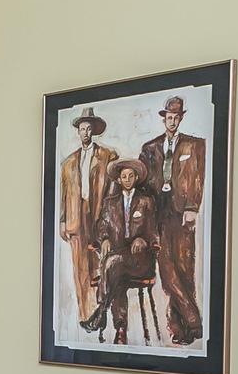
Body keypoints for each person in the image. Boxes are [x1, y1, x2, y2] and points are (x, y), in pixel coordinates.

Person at [140, 94, 205, 344]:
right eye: (169, 117)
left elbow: (198, 178)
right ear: (163, 118)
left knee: (185, 268)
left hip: (181, 212)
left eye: (177, 117)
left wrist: (192, 207)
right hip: (158, 212)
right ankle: (192, 318)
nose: (173, 121)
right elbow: (142, 182)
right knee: (167, 270)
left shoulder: (194, 145)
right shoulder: (150, 148)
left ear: (181, 118)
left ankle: (180, 331)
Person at [80, 159, 156, 344]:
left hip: (139, 260)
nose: (128, 179)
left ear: (136, 178)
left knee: (111, 264)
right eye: (124, 177)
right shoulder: (110, 203)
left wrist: (143, 240)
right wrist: (104, 238)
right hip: (117, 263)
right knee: (117, 279)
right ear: (119, 180)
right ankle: (120, 330)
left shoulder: (146, 202)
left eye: (131, 176)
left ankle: (100, 313)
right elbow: (102, 226)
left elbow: (154, 232)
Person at [57, 107, 117, 322]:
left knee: (98, 264)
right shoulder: (68, 163)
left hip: (97, 215)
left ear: (94, 131)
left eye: (89, 129)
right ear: (78, 132)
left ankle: (100, 311)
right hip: (76, 216)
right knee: (80, 266)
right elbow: (63, 195)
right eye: (82, 129)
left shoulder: (107, 156)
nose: (85, 133)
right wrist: (63, 221)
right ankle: (85, 313)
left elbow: (112, 190)